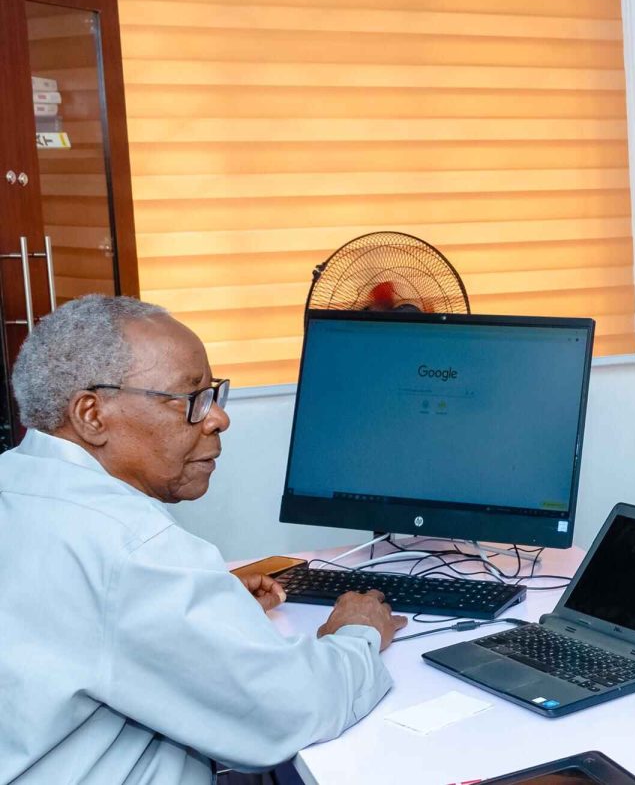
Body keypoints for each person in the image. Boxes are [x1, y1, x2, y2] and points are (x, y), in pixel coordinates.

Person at [0, 295, 406, 784]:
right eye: (191, 399)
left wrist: (206, 613)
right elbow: (291, 709)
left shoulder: (17, 482)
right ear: (92, 414)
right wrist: (357, 632)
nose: (218, 419)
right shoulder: (133, 548)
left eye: (214, 394)